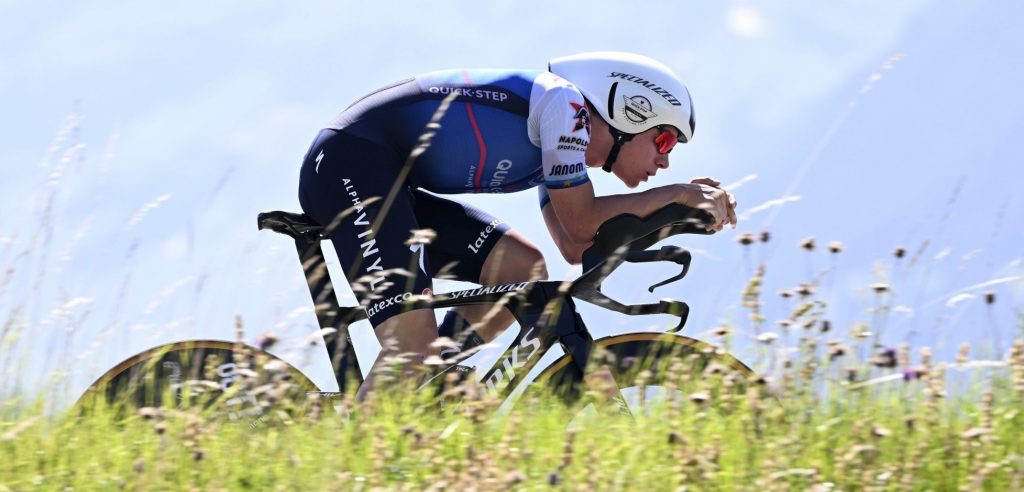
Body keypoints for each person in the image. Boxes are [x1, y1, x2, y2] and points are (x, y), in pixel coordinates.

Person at [297, 51, 738, 399]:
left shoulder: (565, 150)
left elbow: (575, 245)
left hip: (380, 174)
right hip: (349, 162)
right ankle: (347, 462)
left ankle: (428, 392)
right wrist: (675, 195)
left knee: (520, 269)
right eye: (663, 139)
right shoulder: (565, 107)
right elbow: (583, 220)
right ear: (630, 109)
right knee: (411, 346)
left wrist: (673, 215)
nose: (664, 159)